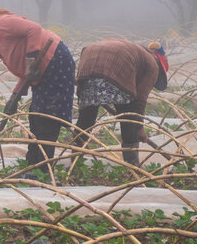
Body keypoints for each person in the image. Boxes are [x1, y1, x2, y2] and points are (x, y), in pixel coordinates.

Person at [0, 0, 76, 173]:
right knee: (36, 116)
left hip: (55, 60)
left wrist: (31, 56)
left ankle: (42, 168)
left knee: (46, 117)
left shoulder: (3, 23)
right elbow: (26, 72)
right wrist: (15, 97)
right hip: (45, 67)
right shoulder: (0, 37)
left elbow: (34, 29)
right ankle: (33, 163)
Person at [70, 39, 168, 167]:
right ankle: (132, 165)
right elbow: (140, 99)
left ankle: (74, 162)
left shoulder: (137, 52)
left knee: (86, 120)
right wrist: (139, 127)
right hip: (116, 65)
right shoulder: (153, 64)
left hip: (89, 60)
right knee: (129, 120)